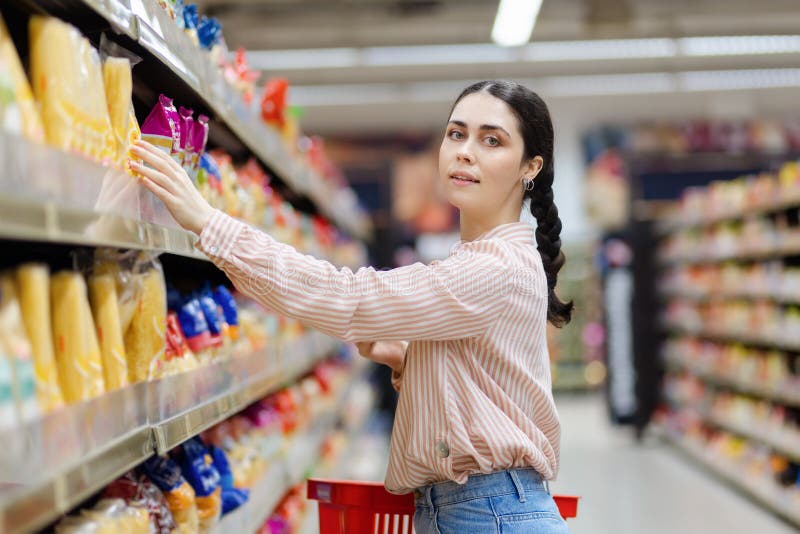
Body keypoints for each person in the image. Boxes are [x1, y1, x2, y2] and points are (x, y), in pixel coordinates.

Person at [131, 80, 573, 533]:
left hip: (488, 513)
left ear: (529, 168)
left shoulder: (493, 268)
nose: (465, 151)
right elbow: (490, 383)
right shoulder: (485, 260)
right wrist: (409, 358)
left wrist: (209, 224)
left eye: (492, 140)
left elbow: (349, 297)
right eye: (456, 134)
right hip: (477, 508)